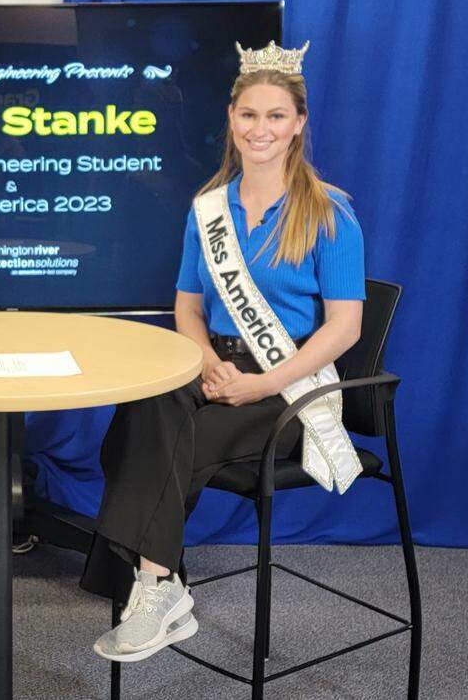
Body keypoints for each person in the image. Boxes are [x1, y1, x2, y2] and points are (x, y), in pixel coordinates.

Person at [86, 42, 365, 662]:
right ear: (231, 120)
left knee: (171, 438)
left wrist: (260, 385)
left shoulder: (330, 213)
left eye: (274, 116)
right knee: (147, 403)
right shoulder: (208, 209)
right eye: (248, 115)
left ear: (298, 124)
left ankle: (155, 584)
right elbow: (187, 305)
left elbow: (344, 328)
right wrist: (204, 361)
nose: (259, 129)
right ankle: (160, 584)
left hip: (290, 383)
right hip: (216, 361)